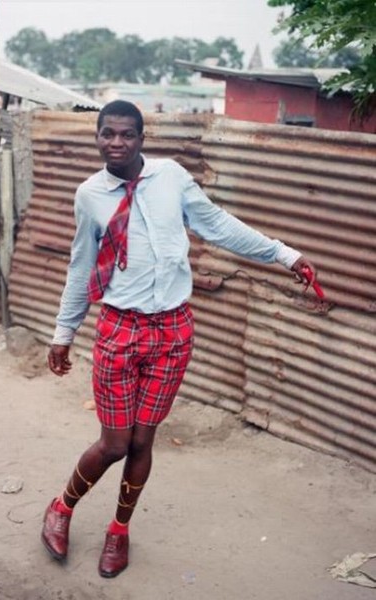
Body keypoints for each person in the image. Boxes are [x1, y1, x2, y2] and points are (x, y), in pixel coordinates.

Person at [41, 100, 318, 578]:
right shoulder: (90, 194)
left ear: (142, 138)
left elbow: (218, 225)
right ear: (97, 138)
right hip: (119, 329)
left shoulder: (171, 178)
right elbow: (81, 265)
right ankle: (62, 508)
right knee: (114, 442)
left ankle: (118, 531)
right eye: (107, 134)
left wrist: (284, 254)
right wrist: (63, 333)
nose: (116, 142)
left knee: (144, 440)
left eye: (126, 134)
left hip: (172, 330)